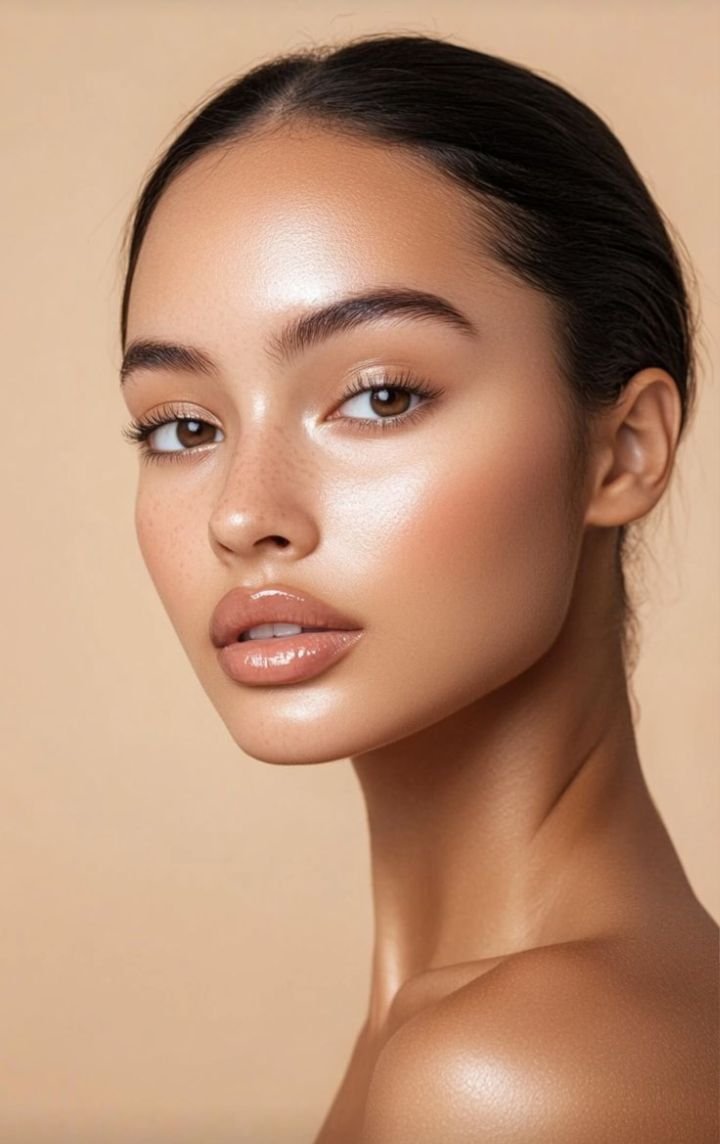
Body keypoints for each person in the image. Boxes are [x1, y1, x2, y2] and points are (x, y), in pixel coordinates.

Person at [117, 32, 718, 1143]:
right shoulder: (490, 1026)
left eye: (380, 396)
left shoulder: (518, 1075)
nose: (243, 513)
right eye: (183, 425)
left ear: (626, 449)